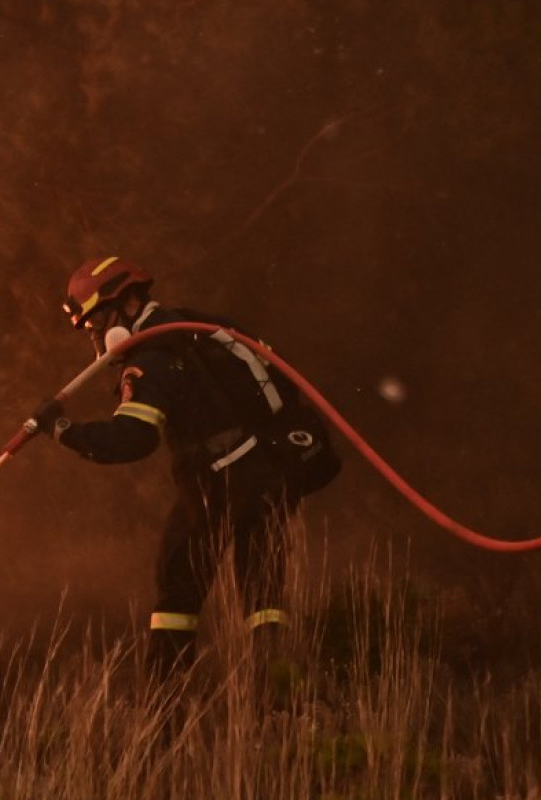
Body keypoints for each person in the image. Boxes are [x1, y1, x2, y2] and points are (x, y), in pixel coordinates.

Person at [31, 255, 340, 686]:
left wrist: (61, 430)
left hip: (216, 482)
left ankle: (165, 708)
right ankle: (279, 698)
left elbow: (132, 439)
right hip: (266, 473)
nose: (97, 336)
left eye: (96, 323)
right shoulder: (195, 329)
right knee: (263, 592)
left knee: (177, 588)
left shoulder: (154, 358)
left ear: (126, 304)